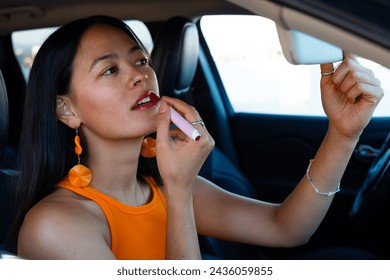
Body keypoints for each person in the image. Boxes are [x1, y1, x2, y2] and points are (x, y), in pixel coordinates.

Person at [9, 15, 383, 260]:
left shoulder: (157, 186)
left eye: (141, 60)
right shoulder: (55, 226)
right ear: (67, 110)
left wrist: (343, 132)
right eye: (109, 70)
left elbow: (287, 228)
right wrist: (180, 190)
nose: (140, 76)